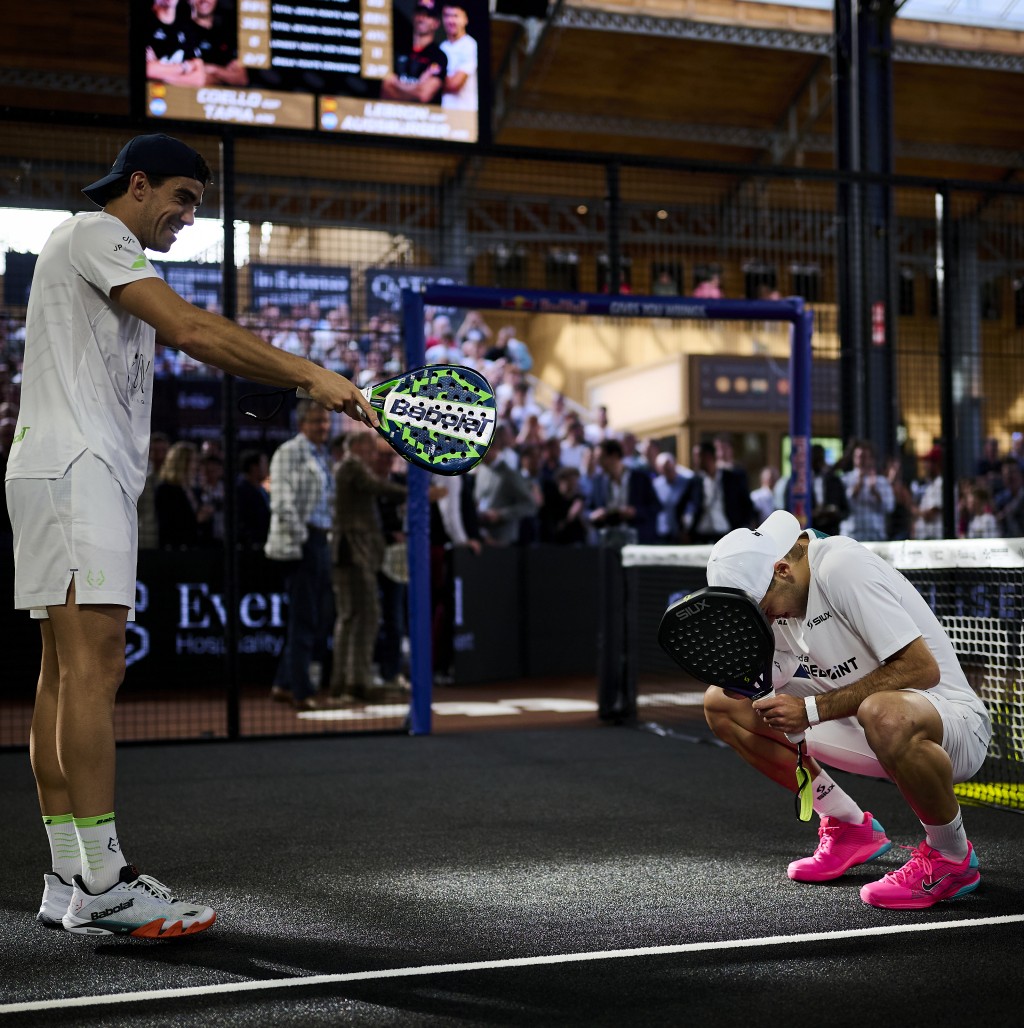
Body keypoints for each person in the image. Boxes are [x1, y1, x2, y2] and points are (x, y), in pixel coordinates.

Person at [4, 133, 374, 938]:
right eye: (183, 199)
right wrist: (311, 373)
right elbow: (193, 330)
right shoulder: (96, 231)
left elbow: (188, 333)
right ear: (137, 185)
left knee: (62, 675)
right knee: (94, 669)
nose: (189, 217)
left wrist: (294, 378)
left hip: (58, 471)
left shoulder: (100, 253)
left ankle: (69, 877)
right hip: (75, 471)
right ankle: (106, 882)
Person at [703, 510, 992, 910]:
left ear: (782, 570)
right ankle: (849, 826)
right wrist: (741, 674)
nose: (768, 618)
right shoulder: (783, 590)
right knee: (721, 704)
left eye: (765, 608)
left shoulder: (841, 567)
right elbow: (780, 666)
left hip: (950, 726)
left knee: (883, 712)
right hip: (866, 722)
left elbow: (921, 669)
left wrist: (812, 710)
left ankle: (951, 857)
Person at [329, 432, 423, 702]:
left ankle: (349, 682)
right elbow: (378, 487)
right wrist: (417, 493)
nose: (374, 457)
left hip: (354, 552)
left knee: (353, 616)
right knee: (365, 614)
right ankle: (354, 682)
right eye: (372, 451)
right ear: (360, 447)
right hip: (353, 553)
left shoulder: (347, 468)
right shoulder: (352, 466)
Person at [265, 402, 340, 711]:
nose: (324, 427)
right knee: (305, 618)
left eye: (326, 421)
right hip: (303, 543)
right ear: (302, 424)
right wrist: (302, 535)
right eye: (317, 421)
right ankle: (301, 690)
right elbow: (281, 502)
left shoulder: (322, 455)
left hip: (321, 540)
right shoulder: (289, 452)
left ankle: (284, 684)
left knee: (312, 616)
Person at [587, 437, 659, 544]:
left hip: (637, 540)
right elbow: (589, 509)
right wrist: (594, 515)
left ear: (614, 456)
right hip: (608, 542)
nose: (598, 463)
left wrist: (635, 512)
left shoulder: (641, 479)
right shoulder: (598, 482)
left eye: (601, 458)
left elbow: (655, 507)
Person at [679, 440, 753, 544]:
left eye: (697, 456)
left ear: (708, 457)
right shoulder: (696, 481)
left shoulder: (732, 478)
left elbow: (747, 504)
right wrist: (683, 529)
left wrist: (744, 527)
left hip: (727, 533)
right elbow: (680, 506)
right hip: (701, 535)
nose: (695, 460)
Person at [380, 0, 447, 104]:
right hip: (392, 112)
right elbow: (385, 89)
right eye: (419, 14)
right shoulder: (398, 49)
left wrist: (397, 85)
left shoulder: (439, 56)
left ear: (436, 23)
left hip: (423, 113)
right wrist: (418, 85)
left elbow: (423, 95)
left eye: (428, 16)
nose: (422, 19)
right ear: (413, 17)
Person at [155, 440, 212, 547]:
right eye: (193, 461)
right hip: (176, 550)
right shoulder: (165, 490)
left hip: (195, 548)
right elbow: (168, 524)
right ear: (182, 463)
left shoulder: (194, 489)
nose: (196, 466)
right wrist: (196, 519)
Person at [839, 439, 894, 541]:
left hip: (875, 536)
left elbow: (889, 508)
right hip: (851, 535)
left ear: (872, 459)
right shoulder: (845, 479)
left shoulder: (882, 482)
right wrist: (857, 486)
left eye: (864, 457)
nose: (861, 461)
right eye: (858, 457)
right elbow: (842, 507)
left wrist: (875, 492)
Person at [145, 0, 205, 87]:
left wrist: (162, 75)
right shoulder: (145, 24)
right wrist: (185, 67)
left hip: (178, 93)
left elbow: (199, 78)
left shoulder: (187, 29)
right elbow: (148, 70)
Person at [189, 0, 249, 86]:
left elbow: (241, 78)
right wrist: (224, 74)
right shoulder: (180, 31)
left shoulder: (226, 34)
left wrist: (213, 69)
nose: (204, 1)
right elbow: (195, 79)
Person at [440, 3, 478, 111]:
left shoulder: (470, 45)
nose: (451, 21)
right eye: (447, 16)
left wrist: (430, 83)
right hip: (444, 112)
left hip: (465, 112)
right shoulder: (442, 47)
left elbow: (454, 84)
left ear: (465, 19)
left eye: (455, 16)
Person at [235, 449, 271, 549]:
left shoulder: (261, 490)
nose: (268, 468)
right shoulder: (241, 491)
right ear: (254, 467)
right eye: (264, 464)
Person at [911, 445, 944, 540]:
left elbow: (930, 515)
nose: (925, 466)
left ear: (936, 464)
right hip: (927, 539)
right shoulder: (931, 484)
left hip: (936, 539)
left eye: (928, 462)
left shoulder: (941, 483)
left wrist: (911, 507)